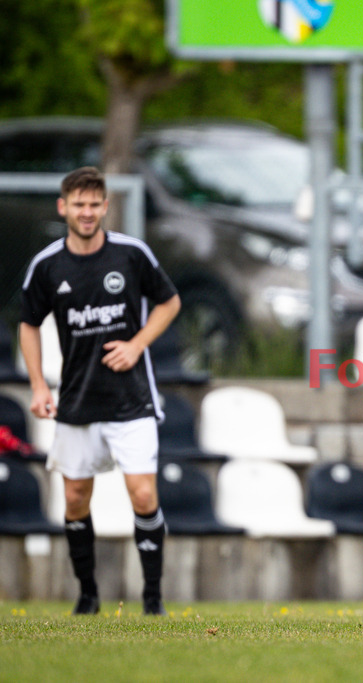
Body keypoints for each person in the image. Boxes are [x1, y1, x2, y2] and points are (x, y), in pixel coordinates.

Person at [19, 167, 181, 616]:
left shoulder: (132, 254)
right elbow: (28, 324)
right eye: (79, 205)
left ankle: (152, 599)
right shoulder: (48, 265)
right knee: (74, 499)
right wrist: (37, 384)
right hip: (77, 400)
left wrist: (136, 344)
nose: (87, 213)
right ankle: (88, 595)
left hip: (132, 400)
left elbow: (170, 302)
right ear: (63, 207)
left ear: (105, 207)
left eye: (94, 204)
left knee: (144, 495)